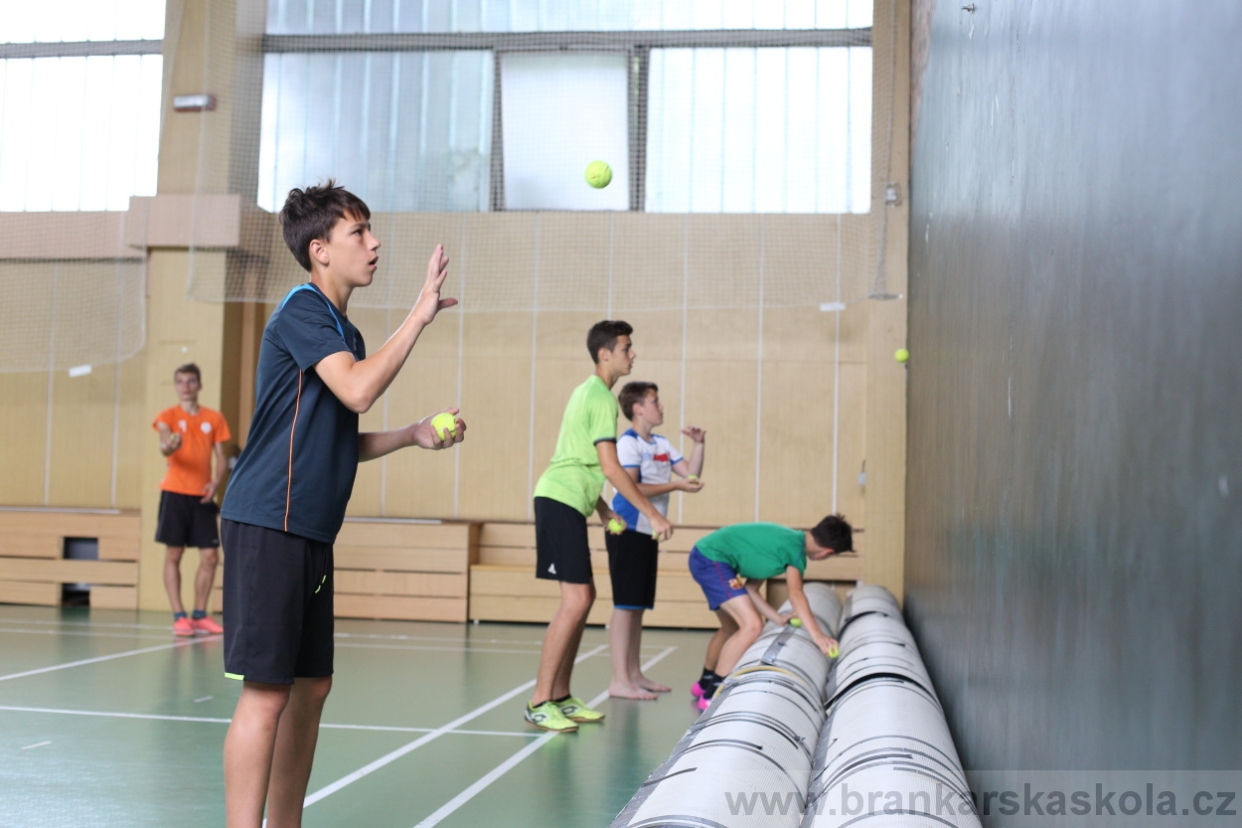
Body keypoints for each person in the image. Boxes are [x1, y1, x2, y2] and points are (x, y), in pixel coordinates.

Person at [218, 181, 464, 828]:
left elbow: (332, 437)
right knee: (267, 695)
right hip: (269, 521)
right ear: (320, 250)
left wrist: (410, 435)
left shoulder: (340, 329)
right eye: (359, 232)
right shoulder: (302, 310)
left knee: (312, 687)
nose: (374, 243)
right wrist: (418, 315)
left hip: (309, 528)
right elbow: (356, 391)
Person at [525, 321, 674, 733]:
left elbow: (580, 460)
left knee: (584, 597)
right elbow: (609, 466)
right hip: (558, 500)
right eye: (627, 347)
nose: (633, 353)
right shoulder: (600, 398)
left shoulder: (590, 394)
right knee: (575, 601)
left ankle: (560, 696)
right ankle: (539, 701)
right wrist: (652, 514)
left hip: (572, 501)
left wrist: (604, 511)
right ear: (605, 353)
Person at [688, 516, 853, 710]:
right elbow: (796, 594)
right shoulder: (795, 551)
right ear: (827, 552)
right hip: (711, 560)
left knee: (730, 629)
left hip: (705, 555)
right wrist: (818, 636)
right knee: (752, 626)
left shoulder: (784, 543)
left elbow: (751, 589)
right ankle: (712, 694)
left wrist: (777, 618)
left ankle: (704, 683)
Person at [605, 382, 705, 699]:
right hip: (627, 528)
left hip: (649, 531)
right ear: (637, 408)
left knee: (638, 606)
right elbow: (631, 487)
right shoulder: (627, 443)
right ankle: (619, 680)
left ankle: (635, 674)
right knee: (625, 605)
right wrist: (675, 486)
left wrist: (699, 444)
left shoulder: (661, 443)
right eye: (654, 401)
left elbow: (689, 474)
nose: (660, 406)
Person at [153, 363, 231, 636]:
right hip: (174, 493)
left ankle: (200, 614)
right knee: (174, 553)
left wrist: (216, 484)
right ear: (176, 386)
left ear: (199, 385)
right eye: (180, 381)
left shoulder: (214, 418)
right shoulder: (167, 416)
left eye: (190, 381)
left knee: (210, 556)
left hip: (203, 497)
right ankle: (179, 616)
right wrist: (170, 446)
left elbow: (222, 456)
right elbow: (165, 445)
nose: (185, 386)